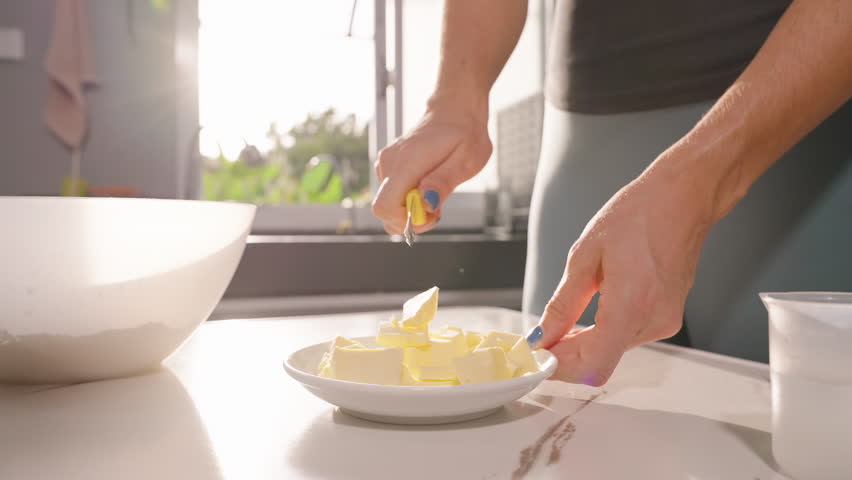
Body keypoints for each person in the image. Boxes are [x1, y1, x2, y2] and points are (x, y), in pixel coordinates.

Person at [371, 0, 852, 386]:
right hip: (581, 129)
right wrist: (455, 97)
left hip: (789, 113)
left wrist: (698, 182)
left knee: (783, 431)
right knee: (550, 415)